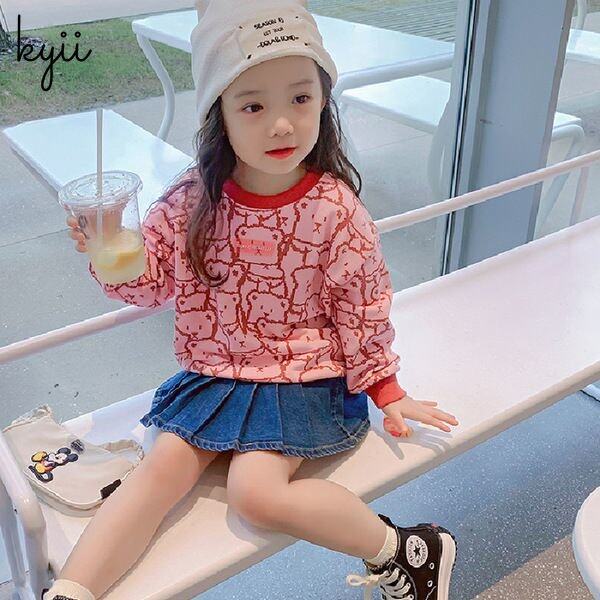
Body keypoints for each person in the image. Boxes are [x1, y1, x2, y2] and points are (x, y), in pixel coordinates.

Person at [49, 1, 460, 599]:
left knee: (256, 494)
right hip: (216, 373)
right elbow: (150, 285)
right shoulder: (192, 199)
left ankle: (411, 551)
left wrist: (385, 387)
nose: (282, 125)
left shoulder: (335, 209)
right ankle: (70, 592)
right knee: (158, 470)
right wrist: (109, 250)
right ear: (218, 113)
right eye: (253, 106)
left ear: (324, 101)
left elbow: (363, 304)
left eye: (301, 98)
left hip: (303, 377)